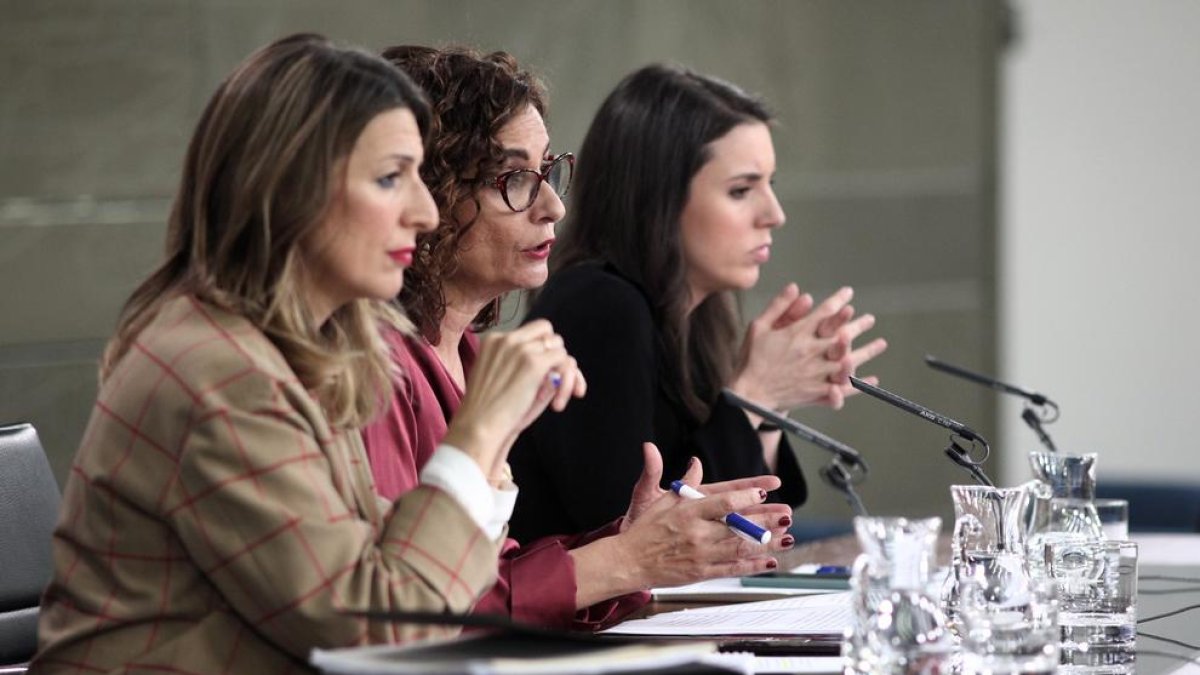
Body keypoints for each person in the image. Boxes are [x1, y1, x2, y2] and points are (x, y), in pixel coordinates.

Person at [31, 34, 588, 673]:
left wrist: (491, 442)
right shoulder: (221, 371)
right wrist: (480, 433)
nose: (423, 211)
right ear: (288, 191)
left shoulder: (287, 354)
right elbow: (382, 632)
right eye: (389, 179)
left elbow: (397, 564)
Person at [361, 46, 795, 630]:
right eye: (513, 178)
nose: (552, 206)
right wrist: (624, 558)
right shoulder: (373, 365)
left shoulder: (472, 355)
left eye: (549, 171)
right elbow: (415, 604)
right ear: (427, 195)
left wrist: (632, 545)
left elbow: (490, 569)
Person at [508, 64, 889, 543]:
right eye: (741, 190)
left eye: (769, 184)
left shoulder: (698, 314)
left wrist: (772, 404)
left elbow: (754, 527)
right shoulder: (598, 306)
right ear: (659, 198)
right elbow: (632, 534)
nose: (774, 214)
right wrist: (756, 395)